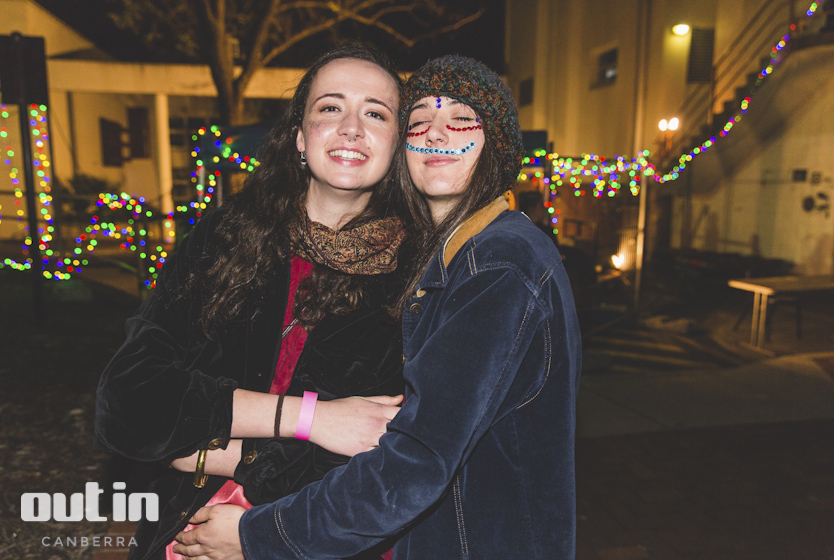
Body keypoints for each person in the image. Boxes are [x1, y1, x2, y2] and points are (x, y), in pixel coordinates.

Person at [173, 55, 582, 560]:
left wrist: (257, 535)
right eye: (419, 121)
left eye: (461, 119)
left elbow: (414, 463)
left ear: (495, 145)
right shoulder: (448, 259)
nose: (436, 134)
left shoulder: (498, 265)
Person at [94, 42, 410, 560]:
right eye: (330, 107)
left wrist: (212, 465)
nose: (352, 127)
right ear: (299, 137)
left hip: (322, 538)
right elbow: (129, 403)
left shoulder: (415, 274)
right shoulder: (227, 237)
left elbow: (390, 462)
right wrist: (312, 420)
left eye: (375, 113)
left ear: (397, 144)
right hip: (187, 528)